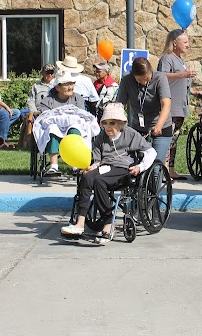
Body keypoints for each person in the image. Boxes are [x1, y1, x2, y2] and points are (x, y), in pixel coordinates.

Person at [60, 103, 157, 244]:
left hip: (124, 169)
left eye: (112, 123)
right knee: (87, 177)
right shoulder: (101, 137)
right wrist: (93, 166)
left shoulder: (130, 134)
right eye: (105, 123)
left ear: (121, 123)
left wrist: (140, 167)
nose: (108, 127)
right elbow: (98, 160)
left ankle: (107, 224)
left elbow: (150, 151)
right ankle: (80, 223)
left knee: (100, 181)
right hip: (105, 166)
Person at [116, 56, 174, 170]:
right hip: (137, 127)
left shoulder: (159, 78)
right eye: (140, 80)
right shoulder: (127, 79)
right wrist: (116, 123)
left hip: (160, 127)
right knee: (135, 164)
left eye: (147, 79)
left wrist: (159, 126)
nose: (144, 82)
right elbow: (120, 104)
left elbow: (166, 104)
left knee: (155, 167)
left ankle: (155, 185)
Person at [158, 28, 198, 180]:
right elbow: (162, 76)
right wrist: (182, 74)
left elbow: (180, 84)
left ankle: (171, 168)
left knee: (175, 139)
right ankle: (163, 169)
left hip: (180, 106)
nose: (188, 45)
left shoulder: (180, 60)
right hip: (171, 107)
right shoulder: (167, 58)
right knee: (168, 138)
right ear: (175, 43)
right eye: (185, 42)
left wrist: (193, 91)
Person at [37, 68, 87, 176]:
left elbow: (81, 116)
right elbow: (46, 119)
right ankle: (54, 166)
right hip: (55, 128)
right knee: (53, 129)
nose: (70, 87)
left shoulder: (78, 99)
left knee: (75, 129)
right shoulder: (48, 101)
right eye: (67, 84)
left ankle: (75, 164)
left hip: (72, 127)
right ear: (57, 87)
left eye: (72, 84)